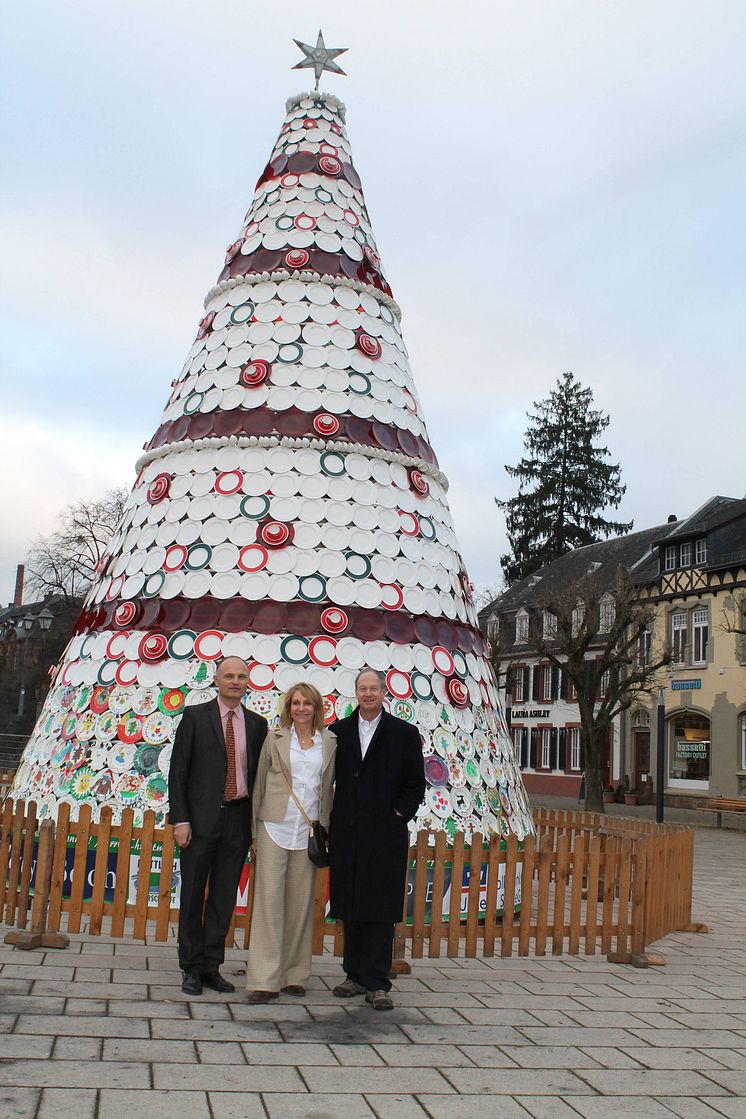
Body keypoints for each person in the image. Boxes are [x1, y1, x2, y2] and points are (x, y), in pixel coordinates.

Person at [168, 656, 267, 995]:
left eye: (241, 676)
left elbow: (258, 778)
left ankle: (212, 966)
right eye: (229, 676)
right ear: (217, 679)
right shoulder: (196, 717)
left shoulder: (257, 724)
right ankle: (191, 968)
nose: (235, 682)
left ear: (247, 681)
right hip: (199, 821)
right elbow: (178, 772)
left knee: (223, 899)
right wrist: (180, 819)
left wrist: (256, 828)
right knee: (193, 895)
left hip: (238, 820)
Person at [328, 668, 425, 1010]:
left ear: (385, 692)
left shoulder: (404, 733)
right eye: (362, 688)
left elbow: (416, 783)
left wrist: (398, 813)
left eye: (374, 688)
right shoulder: (337, 732)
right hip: (348, 833)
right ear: (355, 692)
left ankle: (377, 981)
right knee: (351, 905)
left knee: (380, 908)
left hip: (385, 834)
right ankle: (353, 975)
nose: (368, 694)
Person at [246, 682, 337, 1004]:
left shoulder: (330, 742)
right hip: (274, 826)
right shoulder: (275, 738)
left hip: (309, 831)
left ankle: (295, 975)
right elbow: (258, 785)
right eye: (296, 703)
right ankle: (263, 978)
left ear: (316, 708)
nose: (301, 708)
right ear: (289, 708)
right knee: (269, 903)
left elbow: (327, 787)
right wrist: (254, 833)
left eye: (307, 703)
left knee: (300, 905)